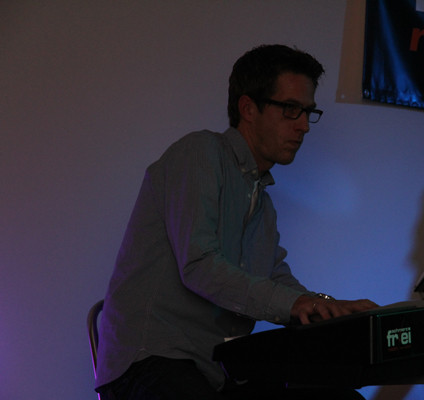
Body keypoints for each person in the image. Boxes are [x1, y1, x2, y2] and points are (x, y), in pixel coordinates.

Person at [95, 44, 378, 400]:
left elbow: (274, 279)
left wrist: (328, 308)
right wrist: (297, 305)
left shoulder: (263, 201)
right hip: (148, 361)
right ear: (248, 108)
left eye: (308, 112)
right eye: (291, 109)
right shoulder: (199, 152)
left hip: (216, 371)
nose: (304, 126)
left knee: (343, 398)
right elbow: (199, 265)